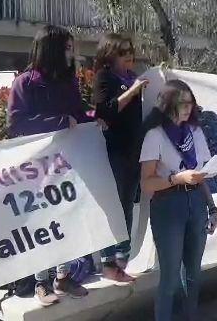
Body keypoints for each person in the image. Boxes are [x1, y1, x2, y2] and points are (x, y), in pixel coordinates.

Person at [7, 25, 91, 305]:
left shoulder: (69, 82)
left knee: (67, 219)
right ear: (53, 50)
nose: (72, 54)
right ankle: (41, 282)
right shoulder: (25, 84)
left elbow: (78, 113)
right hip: (36, 169)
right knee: (42, 222)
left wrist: (96, 118)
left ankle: (63, 276)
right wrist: (58, 123)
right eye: (67, 48)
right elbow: (16, 124)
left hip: (67, 165)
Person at [140, 79, 217, 321]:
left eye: (190, 103)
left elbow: (200, 174)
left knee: (194, 274)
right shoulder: (155, 135)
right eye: (182, 103)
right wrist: (176, 178)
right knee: (171, 278)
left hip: (196, 203)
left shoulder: (195, 132)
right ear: (169, 104)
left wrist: (212, 208)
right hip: (168, 206)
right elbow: (146, 183)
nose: (188, 107)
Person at [92, 34, 148, 282]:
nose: (129, 55)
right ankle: (109, 262)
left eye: (131, 50)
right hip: (117, 152)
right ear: (110, 53)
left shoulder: (132, 77)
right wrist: (133, 90)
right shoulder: (105, 78)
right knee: (118, 207)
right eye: (123, 51)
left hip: (135, 151)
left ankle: (120, 260)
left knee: (127, 205)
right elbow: (105, 111)